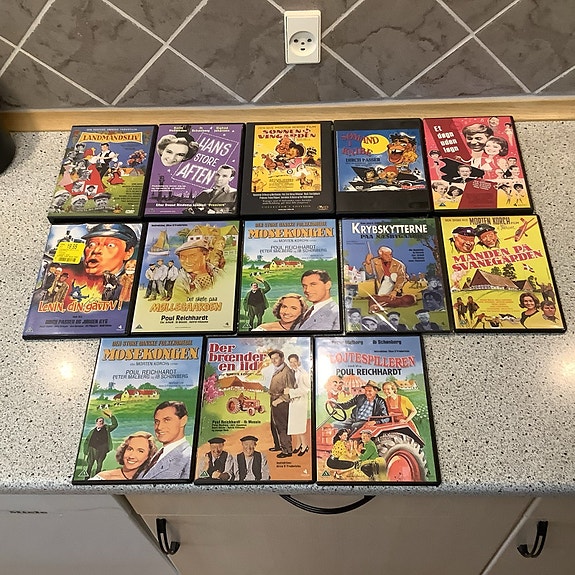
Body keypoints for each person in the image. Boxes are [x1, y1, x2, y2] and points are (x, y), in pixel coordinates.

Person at [139, 401, 192, 480]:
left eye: (167, 420)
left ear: (183, 421)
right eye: (157, 422)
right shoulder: (155, 455)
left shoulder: (189, 458)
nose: (159, 427)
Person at [80, 223, 139, 293]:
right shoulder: (75, 277)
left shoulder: (130, 282)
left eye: (110, 245)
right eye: (91, 244)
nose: (96, 250)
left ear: (128, 252)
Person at [268, 349, 296, 458]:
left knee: (282, 426)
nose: (274, 361)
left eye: (276, 358)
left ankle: (287, 450)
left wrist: (278, 401)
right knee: (274, 425)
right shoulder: (278, 369)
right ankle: (278, 446)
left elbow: (290, 391)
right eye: (272, 359)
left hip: (281, 402)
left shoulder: (287, 372)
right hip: (274, 400)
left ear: (282, 358)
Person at [285, 354, 310, 456]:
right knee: (295, 425)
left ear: (298, 362)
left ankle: (304, 445)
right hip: (293, 401)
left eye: (295, 361)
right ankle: (298, 444)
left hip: (301, 401)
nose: (293, 364)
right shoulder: (292, 372)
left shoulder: (303, 373)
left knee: (300, 425)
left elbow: (306, 389)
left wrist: (290, 391)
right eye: (291, 362)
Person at [83, 409, 118, 478]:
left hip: (102, 449)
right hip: (92, 449)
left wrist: (111, 416)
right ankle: (86, 478)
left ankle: (97, 478)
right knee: (90, 464)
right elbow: (87, 441)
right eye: (100, 421)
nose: (101, 422)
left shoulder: (107, 428)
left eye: (102, 421)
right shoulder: (92, 431)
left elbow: (115, 425)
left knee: (99, 464)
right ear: (96, 423)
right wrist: (85, 451)